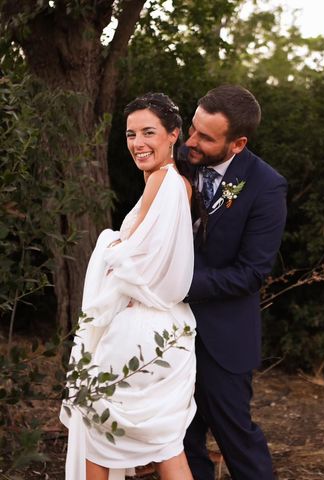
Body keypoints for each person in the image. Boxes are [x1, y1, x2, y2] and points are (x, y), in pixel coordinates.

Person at [60, 93, 197, 480]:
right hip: (172, 330)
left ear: (174, 135)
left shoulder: (163, 180)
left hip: (140, 328)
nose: (138, 143)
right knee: (167, 444)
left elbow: (137, 263)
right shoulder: (178, 183)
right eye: (131, 134)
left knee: (95, 432)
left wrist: (109, 244)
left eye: (149, 132)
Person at [181, 85, 287, 479]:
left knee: (237, 440)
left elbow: (251, 272)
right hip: (167, 331)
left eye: (205, 138)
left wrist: (178, 284)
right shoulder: (179, 161)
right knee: (178, 439)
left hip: (222, 338)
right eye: (192, 128)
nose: (190, 141)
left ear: (237, 143)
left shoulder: (265, 186)